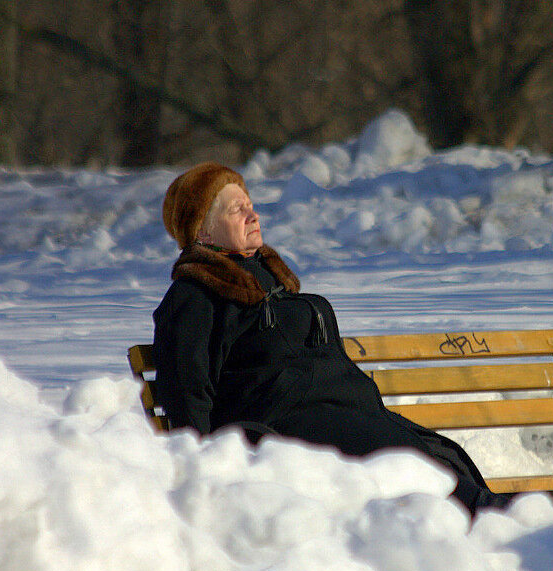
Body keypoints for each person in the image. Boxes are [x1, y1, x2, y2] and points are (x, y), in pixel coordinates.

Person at [152, 162, 511, 516]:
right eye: (236, 210)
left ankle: (495, 512)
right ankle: (496, 515)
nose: (253, 216)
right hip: (282, 425)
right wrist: (206, 475)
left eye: (250, 205)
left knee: (436, 453)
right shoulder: (194, 296)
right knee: (403, 459)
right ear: (203, 232)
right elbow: (187, 389)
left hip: (340, 411)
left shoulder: (268, 280)